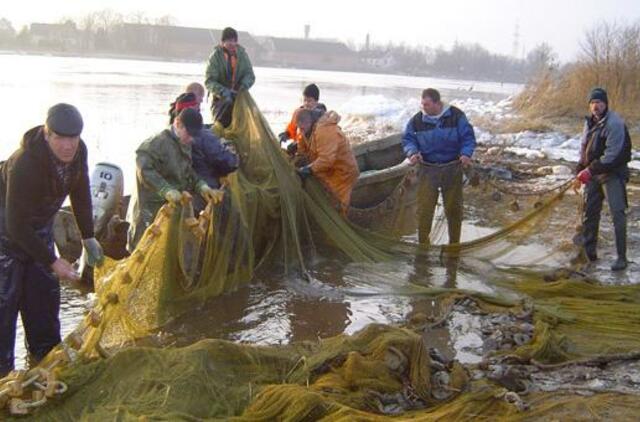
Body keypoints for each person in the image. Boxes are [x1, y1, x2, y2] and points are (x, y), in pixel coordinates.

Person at [0, 103, 104, 377]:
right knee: (4, 304)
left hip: (40, 228)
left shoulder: (79, 152)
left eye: (73, 138)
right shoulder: (25, 163)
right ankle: (4, 375)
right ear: (47, 135)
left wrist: (89, 237)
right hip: (5, 231)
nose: (68, 145)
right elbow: (15, 224)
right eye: (60, 138)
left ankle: (44, 362)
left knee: (43, 302)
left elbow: (80, 193)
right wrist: (53, 260)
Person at [128, 108, 223, 251]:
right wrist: (165, 190)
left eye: (195, 136)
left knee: (164, 249)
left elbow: (188, 173)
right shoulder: (156, 143)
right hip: (149, 208)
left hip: (171, 209)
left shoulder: (185, 143)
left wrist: (203, 187)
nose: (192, 139)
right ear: (178, 123)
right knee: (142, 247)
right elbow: (144, 169)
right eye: (189, 134)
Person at [402, 88, 476, 245]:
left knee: (454, 210)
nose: (424, 108)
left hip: (452, 167)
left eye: (427, 104)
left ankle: (453, 244)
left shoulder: (456, 116)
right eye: (422, 104)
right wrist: (413, 152)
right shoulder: (417, 120)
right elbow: (408, 139)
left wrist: (466, 154)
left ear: (437, 103)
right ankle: (423, 244)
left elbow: (468, 137)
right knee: (424, 209)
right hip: (428, 169)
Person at [575, 87, 631, 271]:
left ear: (605, 104)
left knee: (617, 214)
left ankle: (621, 258)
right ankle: (589, 252)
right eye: (592, 103)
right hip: (593, 174)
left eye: (598, 102)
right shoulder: (590, 122)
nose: (595, 106)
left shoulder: (614, 123)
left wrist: (589, 171)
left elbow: (612, 155)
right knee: (589, 213)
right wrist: (580, 166)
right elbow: (584, 146)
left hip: (612, 174)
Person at [170, 88, 239, 189]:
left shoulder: (170, 131)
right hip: (205, 189)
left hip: (178, 189)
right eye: (199, 104)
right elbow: (228, 163)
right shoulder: (203, 136)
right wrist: (230, 149)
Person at [296, 109, 359, 215]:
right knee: (328, 199)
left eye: (302, 128)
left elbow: (326, 159)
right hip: (329, 171)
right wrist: (295, 147)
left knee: (338, 205)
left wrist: (308, 169)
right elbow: (304, 148)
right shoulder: (308, 129)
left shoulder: (324, 130)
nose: (301, 131)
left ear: (309, 122)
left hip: (343, 172)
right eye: (299, 128)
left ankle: (341, 224)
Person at [205, 27, 255, 128]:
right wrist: (223, 91)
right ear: (223, 42)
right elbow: (209, 81)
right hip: (220, 99)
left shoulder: (242, 55)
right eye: (229, 41)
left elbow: (250, 75)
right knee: (221, 126)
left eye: (234, 41)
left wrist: (242, 86)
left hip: (239, 96)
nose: (232, 43)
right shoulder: (215, 57)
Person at [278, 83, 327, 156]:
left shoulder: (322, 117)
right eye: (305, 100)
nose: (306, 103)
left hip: (312, 152)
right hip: (298, 148)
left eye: (309, 101)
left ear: (316, 101)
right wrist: (286, 134)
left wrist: (297, 145)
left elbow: (320, 142)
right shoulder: (298, 113)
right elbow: (292, 128)